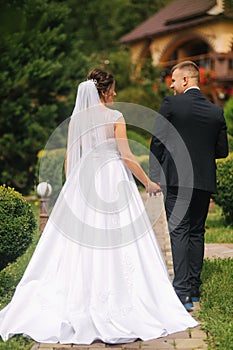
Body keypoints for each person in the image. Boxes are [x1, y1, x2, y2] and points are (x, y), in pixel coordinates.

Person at [0, 69, 197, 345]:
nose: (116, 94)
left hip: (82, 183)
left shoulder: (76, 121)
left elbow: (71, 161)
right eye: (113, 89)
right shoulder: (115, 117)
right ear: (104, 91)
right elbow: (126, 157)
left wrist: (73, 189)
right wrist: (148, 182)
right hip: (113, 178)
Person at [149, 61, 229, 311]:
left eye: (173, 80)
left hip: (176, 180)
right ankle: (193, 290)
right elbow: (222, 151)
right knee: (196, 232)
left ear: (186, 80)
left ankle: (181, 293)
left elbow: (157, 143)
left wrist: (155, 176)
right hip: (204, 182)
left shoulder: (171, 104)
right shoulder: (216, 112)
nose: (171, 85)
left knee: (179, 231)